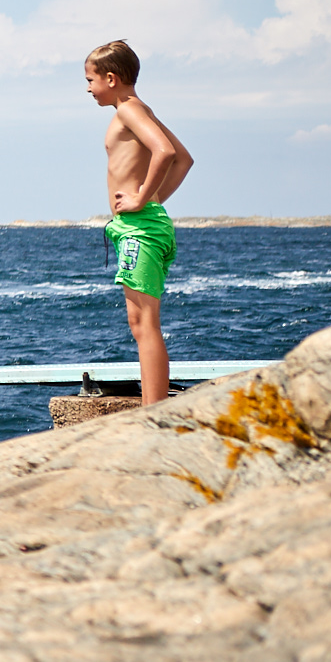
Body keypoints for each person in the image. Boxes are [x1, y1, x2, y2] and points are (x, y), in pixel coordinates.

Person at [85, 39, 192, 405]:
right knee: (141, 323)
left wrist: (142, 199)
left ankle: (152, 413)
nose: (88, 88)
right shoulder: (139, 109)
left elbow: (166, 152)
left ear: (111, 78)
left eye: (91, 79)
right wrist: (153, 201)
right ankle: (153, 409)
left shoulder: (129, 111)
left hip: (141, 227)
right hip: (144, 223)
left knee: (144, 324)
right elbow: (184, 160)